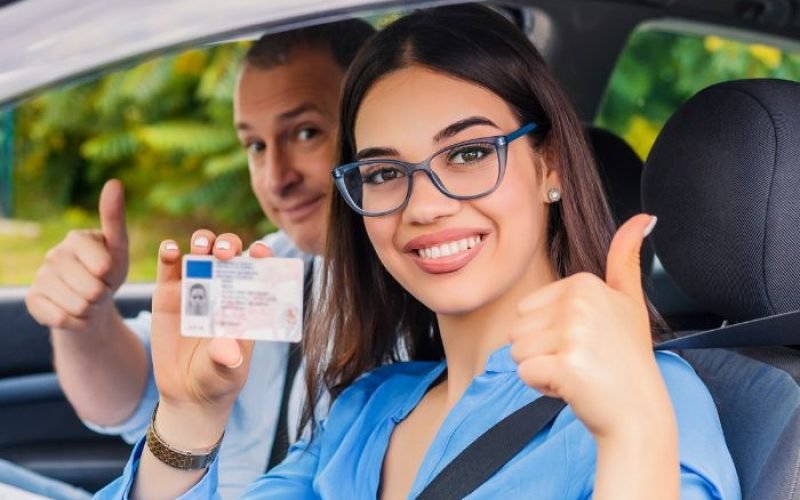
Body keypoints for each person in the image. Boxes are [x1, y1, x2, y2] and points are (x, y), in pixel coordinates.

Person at [96, 5, 741, 499]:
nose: (423, 205)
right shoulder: (364, 411)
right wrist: (186, 421)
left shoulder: (646, 396)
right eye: (382, 173)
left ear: (550, 165)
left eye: (467, 154)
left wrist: (634, 432)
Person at [18, 20, 375, 499]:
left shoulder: (429, 295)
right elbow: (132, 393)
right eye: (255, 145)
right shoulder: (273, 269)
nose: (275, 177)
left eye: (306, 132)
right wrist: (85, 318)